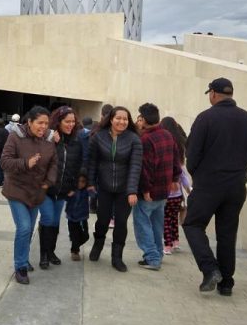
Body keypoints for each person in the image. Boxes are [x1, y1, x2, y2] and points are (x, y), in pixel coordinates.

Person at [183, 77, 247, 295]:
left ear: (214, 94)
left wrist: (197, 173)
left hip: (208, 184)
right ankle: (226, 283)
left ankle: (210, 270)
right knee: (227, 233)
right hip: (236, 185)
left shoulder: (205, 118)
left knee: (192, 224)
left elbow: (192, 153)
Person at [1, 106, 57, 285]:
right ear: (29, 122)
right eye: (40, 123)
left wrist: (48, 182)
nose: (43, 127)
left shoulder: (49, 139)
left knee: (29, 229)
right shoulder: (16, 136)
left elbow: (54, 163)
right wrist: (26, 163)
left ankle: (24, 259)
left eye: (46, 123)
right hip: (16, 190)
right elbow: (5, 161)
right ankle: (21, 267)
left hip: (37, 192)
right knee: (24, 228)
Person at [87, 106, 142, 272]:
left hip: (124, 190)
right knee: (102, 220)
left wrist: (132, 191)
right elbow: (92, 162)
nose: (122, 121)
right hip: (104, 187)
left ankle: (117, 257)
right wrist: (90, 182)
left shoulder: (134, 139)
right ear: (111, 119)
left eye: (125, 119)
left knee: (121, 223)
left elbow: (135, 167)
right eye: (118, 118)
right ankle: (98, 244)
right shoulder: (99, 137)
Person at [133, 103, 182, 271]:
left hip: (150, 192)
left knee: (142, 224)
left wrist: (145, 189)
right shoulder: (167, 135)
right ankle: (157, 254)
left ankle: (152, 258)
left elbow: (145, 168)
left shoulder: (146, 139)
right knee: (156, 224)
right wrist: (175, 178)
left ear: (145, 120)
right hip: (164, 190)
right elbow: (176, 158)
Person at [38, 105, 83, 269]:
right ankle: (43, 255)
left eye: (73, 121)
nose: (71, 124)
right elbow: (40, 159)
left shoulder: (76, 142)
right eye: (67, 121)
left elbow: (76, 167)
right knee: (48, 218)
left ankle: (51, 252)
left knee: (55, 222)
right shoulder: (48, 138)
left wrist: (73, 187)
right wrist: (50, 140)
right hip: (46, 189)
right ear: (58, 122)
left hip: (62, 191)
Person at [160, 116, 191, 254]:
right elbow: (184, 176)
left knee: (166, 220)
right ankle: (175, 242)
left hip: (167, 194)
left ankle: (167, 246)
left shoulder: (166, 155)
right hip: (178, 195)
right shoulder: (179, 160)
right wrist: (189, 189)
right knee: (173, 218)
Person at [66, 174, 92, 261]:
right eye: (78, 181)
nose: (80, 184)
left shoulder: (86, 191)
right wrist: (68, 195)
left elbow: (94, 195)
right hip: (71, 217)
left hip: (82, 218)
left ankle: (75, 244)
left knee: (86, 236)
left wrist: (92, 189)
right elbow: (65, 197)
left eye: (83, 182)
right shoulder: (72, 190)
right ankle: (75, 251)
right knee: (74, 235)